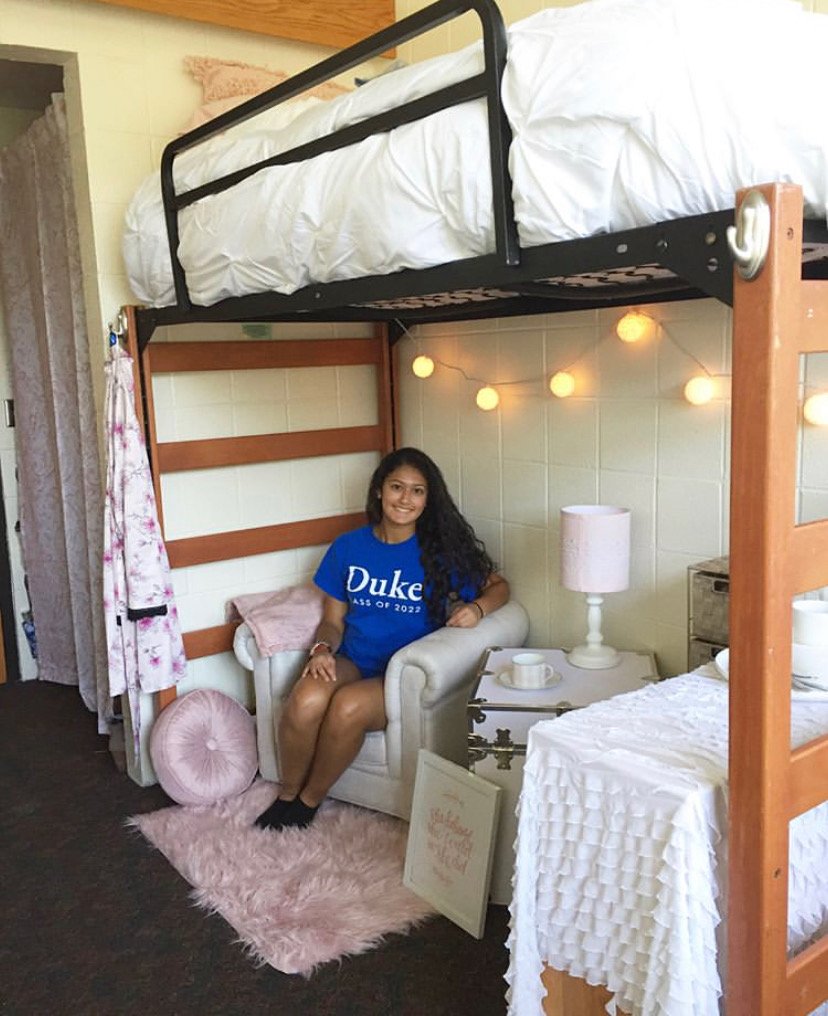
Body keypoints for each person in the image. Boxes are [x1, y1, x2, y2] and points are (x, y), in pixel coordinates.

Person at [255, 446, 510, 831]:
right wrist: (322, 649)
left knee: (346, 707)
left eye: (417, 491)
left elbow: (499, 588)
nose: (405, 499)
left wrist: (476, 609)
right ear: (379, 491)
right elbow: (333, 620)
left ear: (428, 499)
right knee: (306, 697)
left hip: (396, 674)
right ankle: (288, 794)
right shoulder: (348, 547)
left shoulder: (438, 552)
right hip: (354, 659)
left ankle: (308, 802)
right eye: (397, 487)